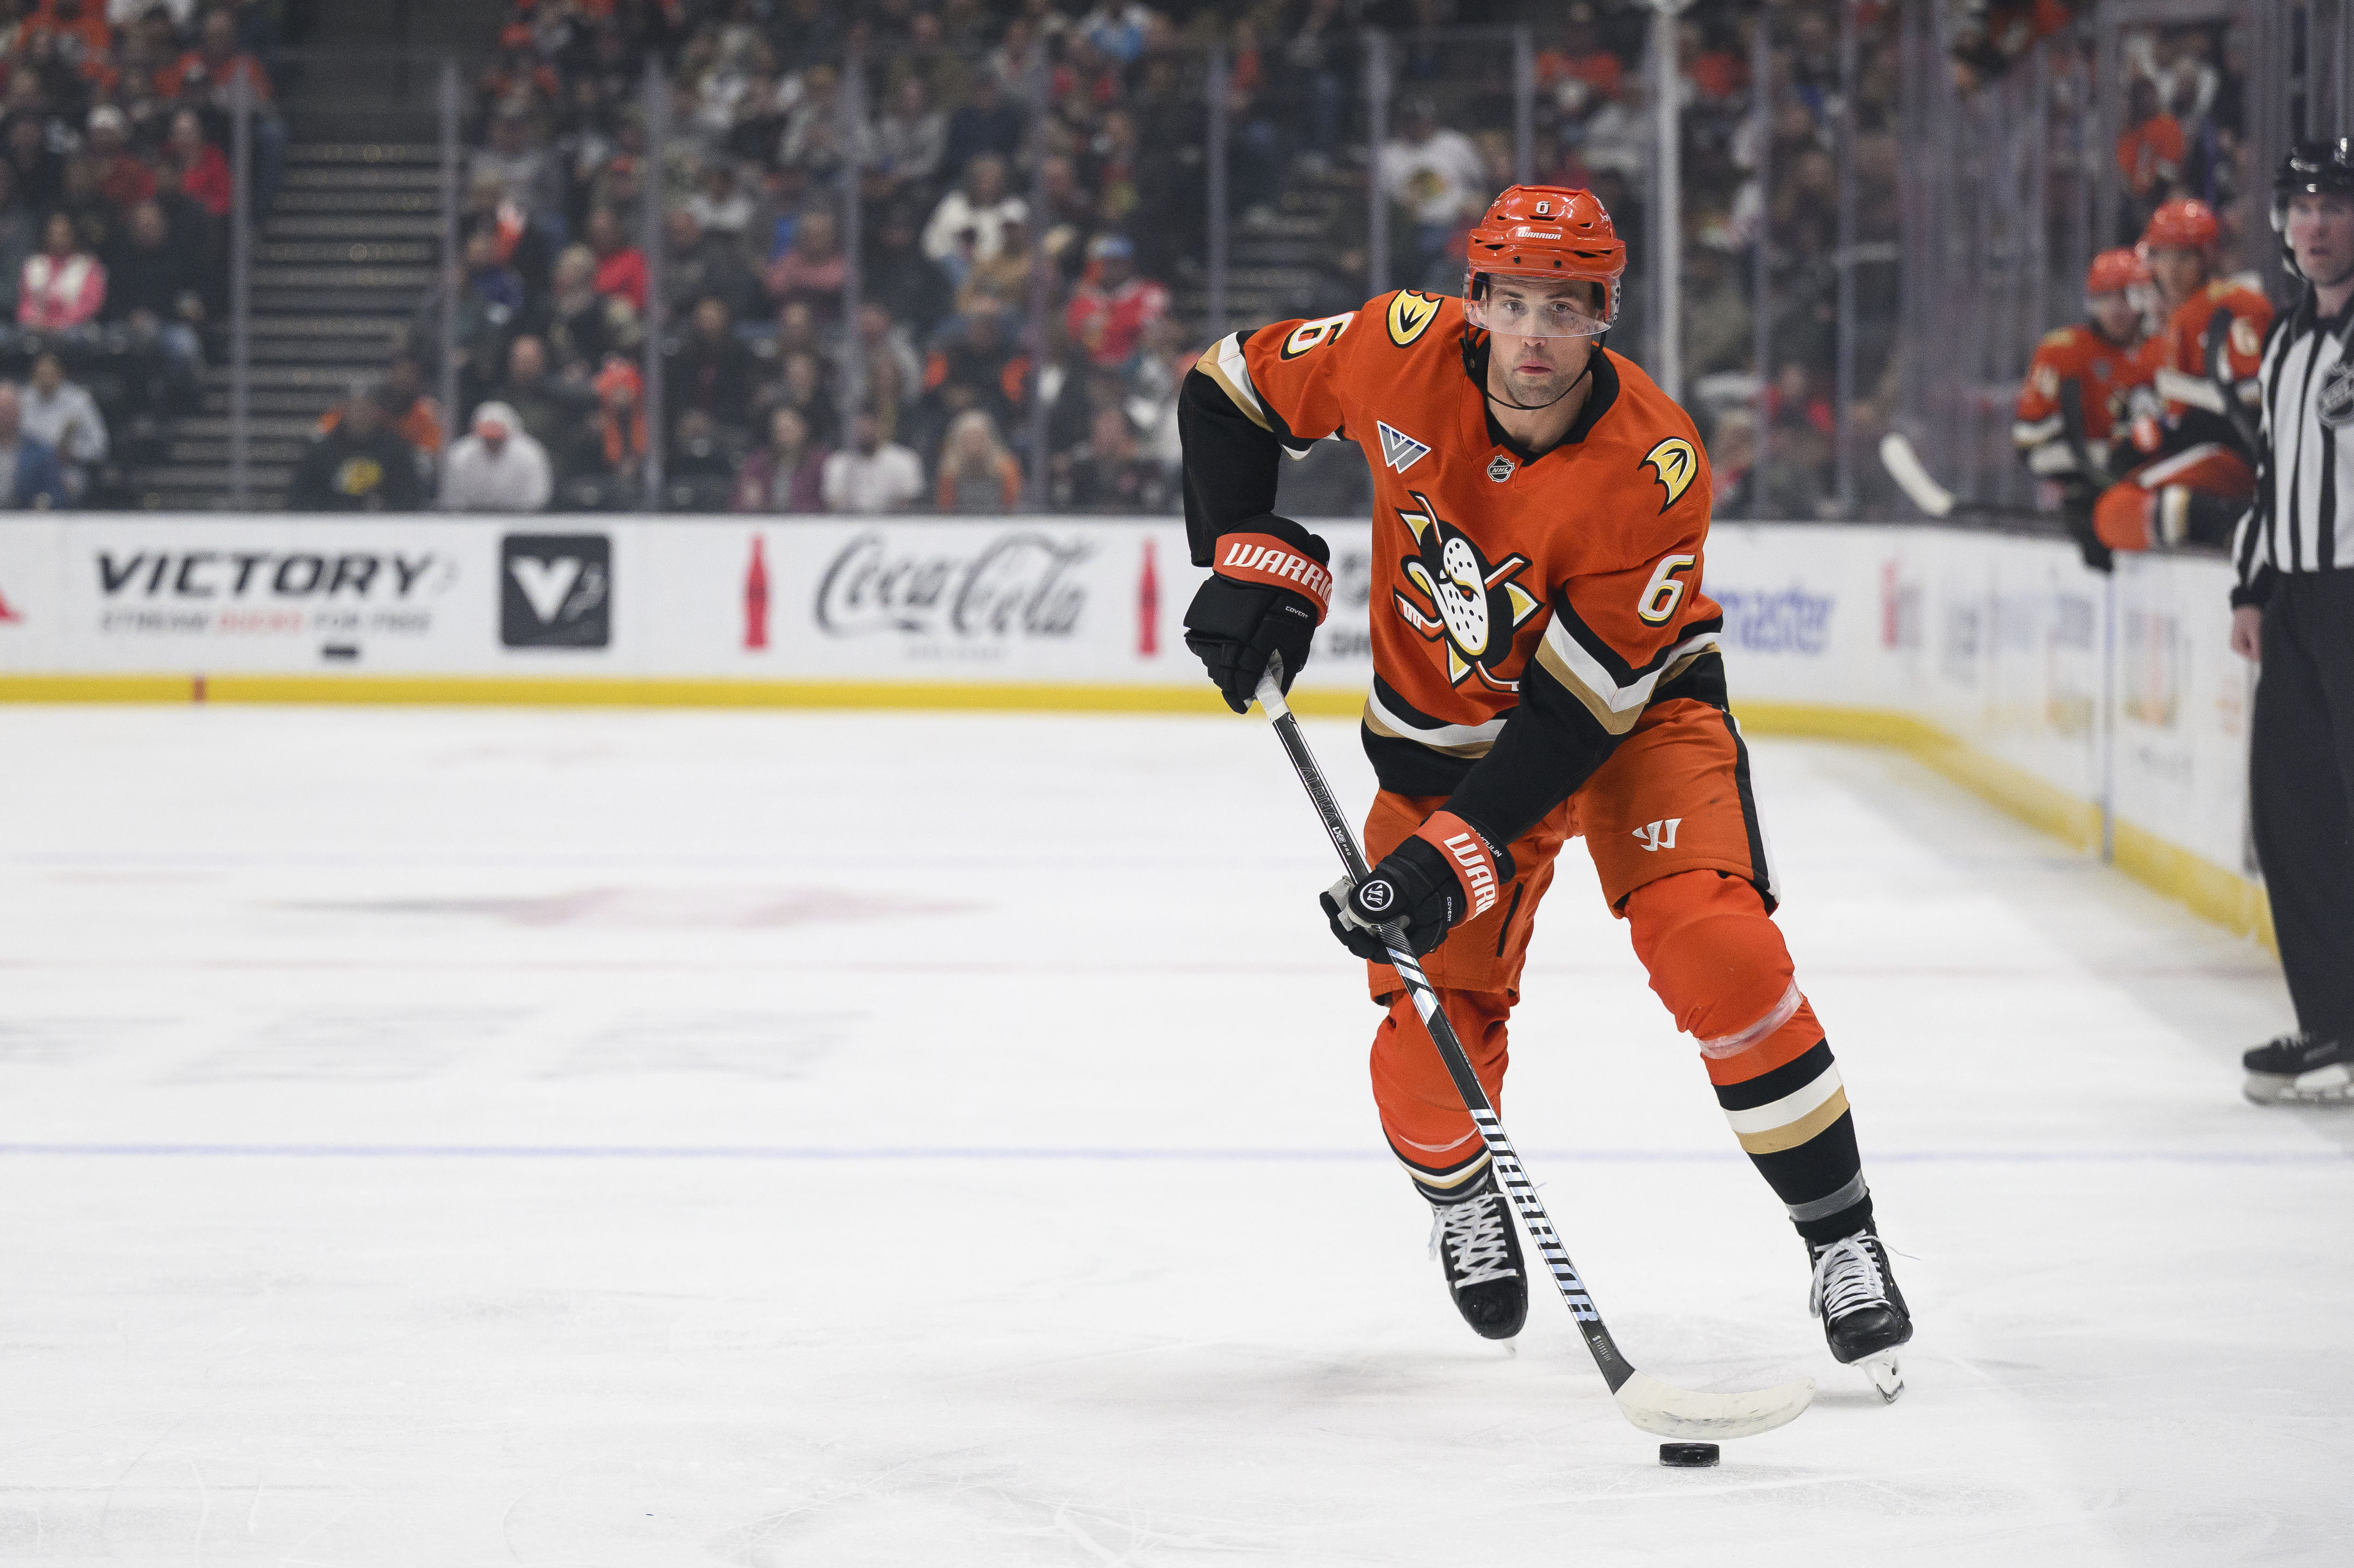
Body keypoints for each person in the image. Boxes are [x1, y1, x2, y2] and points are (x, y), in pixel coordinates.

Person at [1175, 185, 1913, 1390]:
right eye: (1510, 302)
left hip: (1632, 723)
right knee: (1424, 1041)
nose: (1530, 335)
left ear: (1602, 318)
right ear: (1472, 301)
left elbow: (1577, 715)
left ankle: (1841, 1238)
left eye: (1560, 310)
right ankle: (1464, 1192)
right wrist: (1245, 548)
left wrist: (1445, 860)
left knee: (1716, 949)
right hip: (1441, 740)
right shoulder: (1393, 349)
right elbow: (1222, 384)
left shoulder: (1656, 465)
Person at [2229, 141, 2354, 1107]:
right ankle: (2333, 1023)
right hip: (2298, 603)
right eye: (2300, 205)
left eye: (2335, 203)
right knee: (2295, 816)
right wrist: (2249, 588)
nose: (2315, 222)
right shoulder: (2281, 339)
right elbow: (2271, 477)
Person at [2091, 198, 2272, 555]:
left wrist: (2160, 434)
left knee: (2119, 509)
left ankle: (2235, 522)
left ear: (2207, 257)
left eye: (2184, 257)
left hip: (2240, 455)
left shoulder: (2234, 302)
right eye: (2163, 257)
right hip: (2215, 449)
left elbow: (2252, 402)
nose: (2170, 271)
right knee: (2116, 504)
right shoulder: (2184, 316)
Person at [2013, 248, 2154, 570]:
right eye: (2106, 297)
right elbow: (2030, 443)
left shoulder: (2162, 348)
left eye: (2125, 296)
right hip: (2087, 472)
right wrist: (2091, 471)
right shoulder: (2063, 351)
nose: (2117, 309)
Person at [288, 383, 422, 512]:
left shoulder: (394, 450)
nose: (360, 414)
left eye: (366, 407)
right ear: (344, 409)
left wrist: (385, 508)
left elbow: (409, 497)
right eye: (355, 407)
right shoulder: (322, 451)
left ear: (376, 410)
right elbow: (300, 497)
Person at [1064, 233, 1169, 370]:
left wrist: (1107, 322)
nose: (1109, 268)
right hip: (1091, 370)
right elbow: (1076, 332)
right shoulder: (1082, 296)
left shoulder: (1150, 292)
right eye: (1103, 263)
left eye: (1117, 262)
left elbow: (1148, 332)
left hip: (1138, 367)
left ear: (1129, 263)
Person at [18, 352, 105, 505]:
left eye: (50, 374)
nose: (45, 379)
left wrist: (73, 452)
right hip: (28, 472)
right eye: (41, 374)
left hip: (67, 470)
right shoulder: (22, 400)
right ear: (34, 375)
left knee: (65, 489)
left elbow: (100, 446)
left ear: (60, 374)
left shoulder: (80, 402)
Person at [442, 399, 552, 512]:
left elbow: (536, 501)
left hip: (519, 519)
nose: (492, 441)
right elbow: (453, 502)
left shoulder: (530, 456)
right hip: (471, 521)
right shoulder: (461, 456)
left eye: (497, 437)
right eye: (487, 437)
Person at [821, 400, 924, 513]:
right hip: (849, 527)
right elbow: (835, 506)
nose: (864, 430)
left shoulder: (904, 461)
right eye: (860, 425)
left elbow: (908, 507)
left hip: (892, 527)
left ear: (882, 426)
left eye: (870, 425)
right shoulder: (838, 464)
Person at [18, 212, 106, 331]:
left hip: (74, 329)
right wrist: (35, 321)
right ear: (47, 236)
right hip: (37, 328)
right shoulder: (34, 265)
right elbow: (25, 302)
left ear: (72, 235)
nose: (59, 239)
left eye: (63, 235)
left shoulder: (87, 265)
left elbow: (90, 304)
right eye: (55, 234)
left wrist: (62, 323)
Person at [732, 405, 827, 513]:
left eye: (789, 429)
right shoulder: (758, 462)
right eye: (780, 431)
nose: (785, 435)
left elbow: (826, 501)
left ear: (803, 429)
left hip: (807, 523)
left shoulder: (819, 461)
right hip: (768, 522)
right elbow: (740, 498)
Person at [934, 407, 1022, 512]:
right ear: (959, 442)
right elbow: (945, 508)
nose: (973, 443)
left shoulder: (1006, 467)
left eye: (977, 437)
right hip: (959, 525)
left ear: (988, 440)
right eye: (968, 438)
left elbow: (1013, 505)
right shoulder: (949, 470)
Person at [0, 382, 65, 508]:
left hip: (25, 519)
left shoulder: (40, 452)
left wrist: (45, 501)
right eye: (2, 410)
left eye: (9, 410)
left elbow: (56, 492)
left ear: (19, 411)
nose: (5, 417)